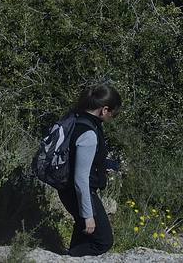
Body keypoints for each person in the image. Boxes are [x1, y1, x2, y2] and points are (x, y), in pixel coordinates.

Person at [57, 84, 121, 256]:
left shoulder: (75, 119)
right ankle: (66, 259)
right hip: (79, 193)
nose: (112, 118)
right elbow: (81, 179)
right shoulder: (89, 133)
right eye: (113, 114)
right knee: (103, 241)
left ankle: (71, 256)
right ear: (104, 110)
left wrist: (107, 164)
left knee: (84, 238)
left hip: (67, 190)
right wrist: (88, 215)